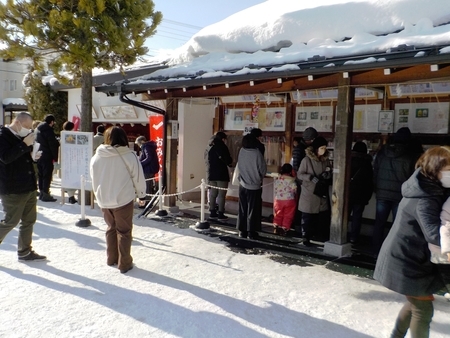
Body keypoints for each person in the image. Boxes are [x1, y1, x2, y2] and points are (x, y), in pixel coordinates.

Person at [374, 146, 450, 338]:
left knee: (416, 302)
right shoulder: (425, 196)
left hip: (411, 255)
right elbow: (433, 234)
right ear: (436, 169)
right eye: (449, 170)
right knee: (422, 309)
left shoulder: (427, 186)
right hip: (405, 258)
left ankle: (396, 336)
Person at [90, 126, 146, 274]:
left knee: (111, 228)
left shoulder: (96, 157)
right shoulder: (129, 155)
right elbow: (138, 177)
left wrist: (98, 196)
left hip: (104, 199)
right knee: (124, 231)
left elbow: (93, 178)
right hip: (123, 199)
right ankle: (125, 263)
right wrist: (142, 195)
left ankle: (111, 258)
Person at [0, 112, 46, 261]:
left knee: (29, 220)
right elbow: (5, 158)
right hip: (12, 188)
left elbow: (22, 157)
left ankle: (25, 251)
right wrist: (24, 145)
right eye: (27, 127)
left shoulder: (22, 137)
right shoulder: (3, 135)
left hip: (29, 185)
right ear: (18, 123)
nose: (29, 130)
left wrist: (33, 156)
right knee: (10, 221)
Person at [372, 127, 421, 256]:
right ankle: (392, 251)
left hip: (382, 193)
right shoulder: (411, 155)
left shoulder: (383, 152)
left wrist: (376, 187)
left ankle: (376, 249)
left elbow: (375, 170)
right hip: (400, 195)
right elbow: (413, 177)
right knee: (397, 224)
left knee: (379, 222)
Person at [297, 136, 332, 246]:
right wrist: (310, 177)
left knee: (321, 216)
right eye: (321, 147)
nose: (323, 150)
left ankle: (317, 236)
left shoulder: (325, 160)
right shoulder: (306, 160)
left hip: (321, 192)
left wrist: (327, 174)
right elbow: (299, 174)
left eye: (325, 148)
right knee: (307, 216)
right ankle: (305, 237)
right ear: (316, 148)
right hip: (309, 192)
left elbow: (329, 170)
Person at [236, 134, 267, 239]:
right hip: (254, 186)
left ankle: (242, 230)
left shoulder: (241, 151)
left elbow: (239, 165)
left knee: (242, 208)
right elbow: (262, 170)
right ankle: (251, 232)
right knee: (253, 209)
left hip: (242, 184)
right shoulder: (257, 153)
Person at [348, 141, 373, 244]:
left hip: (348, 193)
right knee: (357, 217)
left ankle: (341, 234)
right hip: (361, 194)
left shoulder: (349, 160)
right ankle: (354, 237)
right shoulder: (367, 163)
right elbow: (370, 181)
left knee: (344, 216)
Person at [204, 131, 232, 221]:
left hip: (212, 174)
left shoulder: (211, 147)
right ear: (223, 139)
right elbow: (228, 160)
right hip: (221, 174)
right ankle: (220, 213)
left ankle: (212, 212)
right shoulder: (223, 147)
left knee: (213, 194)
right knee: (221, 195)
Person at [36, 114, 60, 202]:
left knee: (40, 175)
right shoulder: (49, 131)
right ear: (52, 122)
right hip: (47, 155)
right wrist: (56, 158)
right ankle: (45, 193)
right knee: (47, 175)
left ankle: (42, 192)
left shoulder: (38, 130)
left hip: (38, 154)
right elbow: (52, 145)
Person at [273, 163, 297, 236]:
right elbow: (294, 189)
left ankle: (276, 227)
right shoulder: (291, 181)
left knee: (278, 213)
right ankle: (285, 229)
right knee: (288, 215)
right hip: (289, 200)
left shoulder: (278, 179)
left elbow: (275, 188)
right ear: (290, 171)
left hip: (278, 200)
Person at [135, 136, 159, 201]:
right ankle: (148, 201)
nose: (138, 145)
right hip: (151, 168)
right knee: (148, 185)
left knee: (147, 185)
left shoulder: (146, 147)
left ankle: (147, 201)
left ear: (142, 142)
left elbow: (149, 158)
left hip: (148, 169)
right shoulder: (149, 146)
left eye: (138, 143)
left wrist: (140, 163)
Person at [61, 121, 78, 204]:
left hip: (64, 159)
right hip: (71, 159)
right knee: (72, 178)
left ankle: (70, 194)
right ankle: (71, 196)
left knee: (67, 177)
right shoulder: (71, 135)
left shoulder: (62, 135)